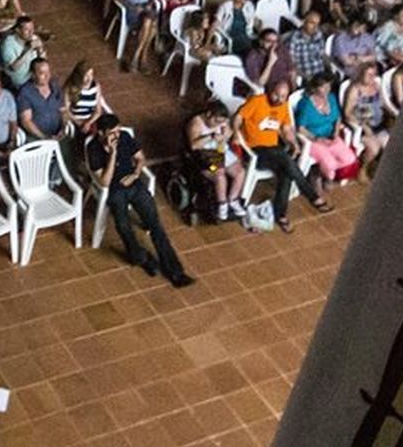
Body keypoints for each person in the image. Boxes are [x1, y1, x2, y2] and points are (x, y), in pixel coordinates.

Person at [85, 115, 192, 287]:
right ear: (101, 133)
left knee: (155, 224)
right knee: (123, 226)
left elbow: (140, 158)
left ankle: (175, 271)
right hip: (115, 190)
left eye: (118, 131)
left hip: (134, 184)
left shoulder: (125, 138)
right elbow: (104, 181)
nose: (117, 136)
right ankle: (141, 258)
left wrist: (135, 174)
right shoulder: (93, 149)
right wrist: (112, 154)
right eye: (112, 133)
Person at [234, 80, 332, 233]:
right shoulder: (257, 101)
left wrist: (293, 143)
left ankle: (281, 215)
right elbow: (239, 117)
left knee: (286, 172)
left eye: (283, 97)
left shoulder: (283, 106)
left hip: (273, 150)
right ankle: (312, 195)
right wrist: (235, 132)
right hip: (255, 150)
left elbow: (286, 129)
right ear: (270, 91)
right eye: (276, 95)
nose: (279, 99)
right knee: (287, 160)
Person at [293, 72, 360, 194]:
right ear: (315, 87)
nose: (326, 90)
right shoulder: (306, 104)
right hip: (313, 140)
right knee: (330, 165)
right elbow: (300, 128)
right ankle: (321, 177)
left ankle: (319, 171)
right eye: (323, 87)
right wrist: (316, 138)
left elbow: (337, 118)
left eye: (328, 86)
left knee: (350, 158)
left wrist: (335, 132)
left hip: (330, 137)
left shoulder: (332, 98)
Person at [187, 101, 248, 223]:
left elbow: (229, 134)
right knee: (219, 175)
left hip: (220, 150)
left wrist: (226, 135)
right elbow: (193, 145)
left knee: (240, 172)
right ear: (209, 114)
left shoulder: (223, 122)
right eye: (216, 121)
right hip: (205, 154)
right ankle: (222, 204)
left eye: (221, 121)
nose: (218, 124)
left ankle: (233, 199)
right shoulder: (196, 123)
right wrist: (211, 136)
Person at [16, 58, 64, 143]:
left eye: (48, 72)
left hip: (58, 135)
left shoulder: (54, 86)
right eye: (42, 73)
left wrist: (63, 128)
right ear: (32, 75)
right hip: (36, 139)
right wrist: (45, 137)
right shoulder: (25, 92)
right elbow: (26, 121)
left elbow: (63, 110)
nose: (47, 76)